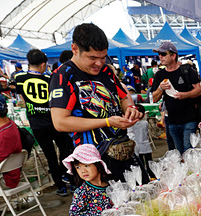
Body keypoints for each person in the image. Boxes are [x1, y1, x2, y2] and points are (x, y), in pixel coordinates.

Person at [49, 23, 142, 182]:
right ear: (75, 49)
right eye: (92, 58)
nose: (99, 63)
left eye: (102, 57)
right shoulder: (63, 76)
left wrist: (130, 109)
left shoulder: (106, 71)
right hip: (93, 163)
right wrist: (106, 122)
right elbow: (60, 122)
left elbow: (123, 96)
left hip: (123, 151)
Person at [14, 48, 74, 196]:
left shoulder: (19, 78)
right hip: (54, 121)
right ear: (43, 64)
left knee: (50, 156)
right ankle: (72, 182)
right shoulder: (49, 79)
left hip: (36, 123)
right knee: (66, 151)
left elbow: (22, 98)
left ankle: (60, 187)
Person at [150, 41, 201, 154]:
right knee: (178, 152)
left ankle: (190, 170)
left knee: (188, 149)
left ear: (173, 55)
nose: (160, 57)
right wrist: (160, 88)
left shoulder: (187, 70)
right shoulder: (160, 74)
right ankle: (184, 171)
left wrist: (185, 95)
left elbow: (199, 90)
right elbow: (154, 98)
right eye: (159, 54)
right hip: (172, 120)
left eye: (163, 54)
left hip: (189, 118)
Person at [63, 144, 114, 216]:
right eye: (78, 167)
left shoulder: (111, 185)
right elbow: (74, 214)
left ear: (98, 165)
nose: (83, 171)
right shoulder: (82, 192)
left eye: (86, 165)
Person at [127, 104, 152, 170]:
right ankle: (152, 176)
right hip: (146, 146)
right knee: (150, 164)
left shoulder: (129, 125)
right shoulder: (145, 123)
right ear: (143, 115)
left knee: (141, 165)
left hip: (136, 148)